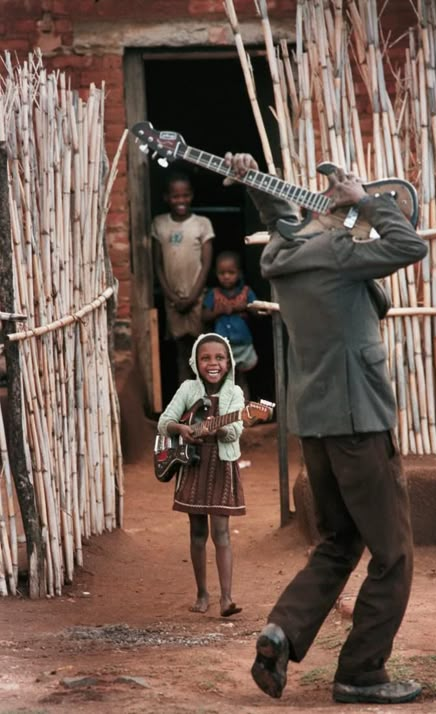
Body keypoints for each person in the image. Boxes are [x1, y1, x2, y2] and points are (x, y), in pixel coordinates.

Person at [224, 152, 428, 705]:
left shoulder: (283, 254)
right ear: (327, 216)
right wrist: (363, 200)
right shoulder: (339, 253)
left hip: (315, 424)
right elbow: (412, 244)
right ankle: (361, 672)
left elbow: (283, 220)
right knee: (394, 553)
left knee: (340, 540)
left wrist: (252, 182)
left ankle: (281, 633)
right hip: (359, 421)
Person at [157, 332, 246, 618]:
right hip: (192, 465)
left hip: (221, 466)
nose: (213, 363)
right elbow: (164, 422)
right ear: (196, 361)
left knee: (221, 532)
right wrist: (182, 430)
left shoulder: (235, 394)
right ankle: (202, 593)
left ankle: (227, 599)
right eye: (205, 357)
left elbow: (235, 432)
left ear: (229, 362)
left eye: (220, 357)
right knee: (197, 532)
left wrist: (218, 428)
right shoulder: (187, 389)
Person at [151, 171, 214, 383]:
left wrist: (193, 296)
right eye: (175, 196)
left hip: (198, 299)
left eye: (185, 195)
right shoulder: (159, 223)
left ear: (192, 196)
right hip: (173, 300)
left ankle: (208, 406)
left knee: (203, 353)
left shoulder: (202, 223)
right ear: (166, 198)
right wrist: (173, 298)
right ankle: (187, 406)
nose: (181, 200)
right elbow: (157, 265)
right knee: (181, 354)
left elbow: (206, 264)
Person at [202, 250, 258, 400]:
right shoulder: (214, 294)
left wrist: (244, 307)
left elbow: (258, 311)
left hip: (242, 345)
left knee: (241, 380)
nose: (226, 276)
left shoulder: (246, 292)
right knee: (221, 381)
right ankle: (223, 415)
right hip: (222, 347)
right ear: (216, 274)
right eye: (222, 273)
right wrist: (217, 311)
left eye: (231, 272)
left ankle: (244, 413)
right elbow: (204, 316)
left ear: (239, 273)